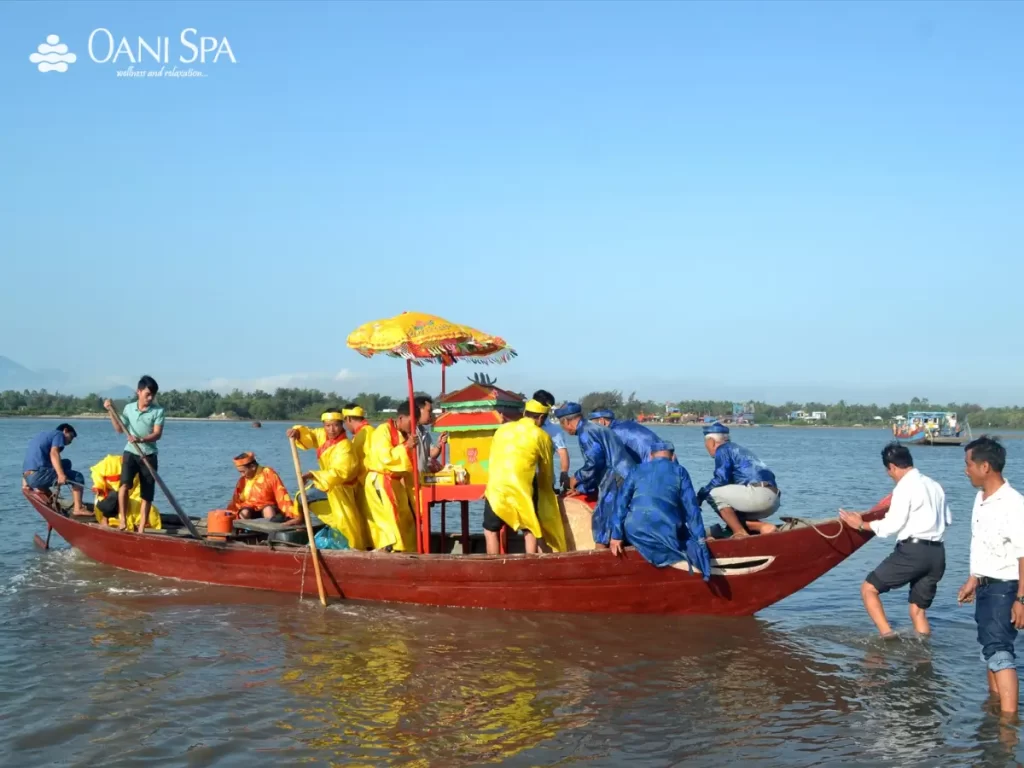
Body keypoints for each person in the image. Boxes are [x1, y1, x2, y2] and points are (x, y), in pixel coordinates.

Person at [839, 442, 951, 638]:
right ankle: (923, 656)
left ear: (891, 467)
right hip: (938, 554)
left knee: (868, 589)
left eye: (888, 471)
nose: (889, 475)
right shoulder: (935, 485)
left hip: (914, 552)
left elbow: (892, 525)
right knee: (918, 612)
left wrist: (859, 524)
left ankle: (887, 636)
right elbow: (948, 519)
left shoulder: (904, 487)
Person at [956, 436, 1024, 715]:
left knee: (999, 650)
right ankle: (995, 709)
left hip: (1006, 588)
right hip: (986, 586)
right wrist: (974, 578)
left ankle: (1009, 725)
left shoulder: (1014, 504)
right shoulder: (980, 498)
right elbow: (980, 542)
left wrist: (1022, 599)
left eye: (968, 464)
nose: (965, 470)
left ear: (985, 466)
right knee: (989, 649)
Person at [610, 441, 711, 579]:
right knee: (686, 540)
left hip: (634, 529)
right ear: (673, 457)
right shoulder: (680, 471)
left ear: (651, 456)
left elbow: (621, 502)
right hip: (666, 530)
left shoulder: (636, 470)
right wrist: (700, 538)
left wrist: (616, 535)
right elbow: (691, 508)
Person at [483, 399, 567, 555]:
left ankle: (493, 567)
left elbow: (492, 460)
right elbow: (546, 472)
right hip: (521, 488)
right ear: (541, 418)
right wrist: (548, 493)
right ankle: (530, 565)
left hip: (496, 487)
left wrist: (488, 487)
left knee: (490, 530)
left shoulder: (502, 429)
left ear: (524, 413)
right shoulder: (541, 435)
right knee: (530, 530)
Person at [555, 402, 636, 548]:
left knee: (603, 519)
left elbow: (595, 462)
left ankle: (600, 554)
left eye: (563, 427)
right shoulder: (594, 428)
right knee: (621, 515)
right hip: (624, 474)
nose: (566, 430)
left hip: (616, 476)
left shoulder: (586, 432)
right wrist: (582, 488)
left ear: (567, 422)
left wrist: (576, 478)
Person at [287, 409, 370, 550]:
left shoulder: (345, 446)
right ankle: (301, 519)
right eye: (328, 425)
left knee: (345, 521)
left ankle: (349, 544)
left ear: (342, 425)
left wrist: (313, 475)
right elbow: (311, 434)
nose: (331, 429)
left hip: (341, 488)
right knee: (301, 496)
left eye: (335, 425)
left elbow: (341, 472)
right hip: (327, 484)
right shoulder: (323, 435)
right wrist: (297, 432)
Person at [696, 422, 780, 538]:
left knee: (712, 494)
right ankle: (762, 527)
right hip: (773, 499)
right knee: (732, 510)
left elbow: (721, 479)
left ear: (711, 441)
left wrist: (700, 496)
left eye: (706, 443)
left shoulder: (723, 449)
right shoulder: (739, 450)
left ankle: (740, 533)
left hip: (758, 495)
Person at [104, 375, 164, 533]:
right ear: (139, 391)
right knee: (124, 486)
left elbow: (157, 434)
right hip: (131, 452)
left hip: (149, 455)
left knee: (147, 494)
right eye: (147, 394)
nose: (150, 398)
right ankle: (122, 519)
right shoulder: (129, 408)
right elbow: (118, 428)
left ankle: (142, 528)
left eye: (153, 395)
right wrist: (111, 411)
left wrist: (141, 439)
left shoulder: (158, 411)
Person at [362, 401, 419, 552]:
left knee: (405, 520)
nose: (413, 427)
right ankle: (390, 550)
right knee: (388, 523)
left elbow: (409, 465)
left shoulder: (405, 435)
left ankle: (407, 551)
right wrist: (407, 447)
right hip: (380, 481)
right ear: (401, 418)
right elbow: (385, 458)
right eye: (411, 422)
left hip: (396, 483)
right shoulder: (383, 431)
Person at [22, 423, 87, 515]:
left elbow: (31, 458)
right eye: (71, 437)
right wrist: (60, 475)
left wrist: (25, 482)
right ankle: (78, 509)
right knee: (78, 477)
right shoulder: (58, 434)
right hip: (38, 476)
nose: (70, 441)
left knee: (66, 463)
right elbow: (54, 453)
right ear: (65, 431)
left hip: (29, 477)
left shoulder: (42, 435)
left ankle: (42, 488)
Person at [90, 454, 162, 530]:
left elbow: (138, 490)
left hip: (129, 498)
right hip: (106, 497)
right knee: (114, 497)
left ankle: (141, 524)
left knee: (150, 509)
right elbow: (96, 473)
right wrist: (99, 487)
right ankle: (104, 521)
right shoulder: (109, 462)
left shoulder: (135, 471)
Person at [226, 452, 296, 523]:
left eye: (243, 471)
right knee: (244, 512)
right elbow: (236, 502)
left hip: (269, 507)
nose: (242, 474)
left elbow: (281, 493)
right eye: (240, 472)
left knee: (268, 510)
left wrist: (291, 516)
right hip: (249, 508)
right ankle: (246, 532)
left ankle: (271, 531)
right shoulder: (242, 480)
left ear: (252, 467)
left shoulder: (268, 473)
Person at [343, 404, 376, 540]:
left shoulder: (363, 434)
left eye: (344, 422)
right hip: (369, 480)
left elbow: (356, 463)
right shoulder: (370, 430)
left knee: (371, 516)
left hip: (368, 481)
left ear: (349, 419)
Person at [588, 408, 661, 463]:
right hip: (663, 458)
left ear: (601, 421)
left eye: (592, 425)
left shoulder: (613, 433)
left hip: (650, 464)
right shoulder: (624, 424)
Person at [533, 389, 571, 493]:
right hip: (525, 480)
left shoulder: (553, 430)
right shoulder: (521, 425)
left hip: (546, 481)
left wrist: (564, 473)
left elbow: (562, 452)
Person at [414, 395, 448, 474]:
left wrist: (439, 444)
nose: (431, 415)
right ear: (418, 410)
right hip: (411, 479)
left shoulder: (424, 432)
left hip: (422, 477)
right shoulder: (410, 431)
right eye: (429, 411)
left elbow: (432, 454)